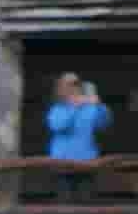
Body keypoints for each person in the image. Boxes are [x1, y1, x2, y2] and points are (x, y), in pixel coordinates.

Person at [47, 72, 113, 200]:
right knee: (64, 202)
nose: (73, 87)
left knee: (86, 201)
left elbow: (104, 123)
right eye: (69, 84)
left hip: (87, 162)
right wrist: (74, 107)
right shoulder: (57, 109)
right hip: (62, 163)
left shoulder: (89, 108)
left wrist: (99, 105)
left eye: (76, 83)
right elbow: (58, 125)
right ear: (61, 88)